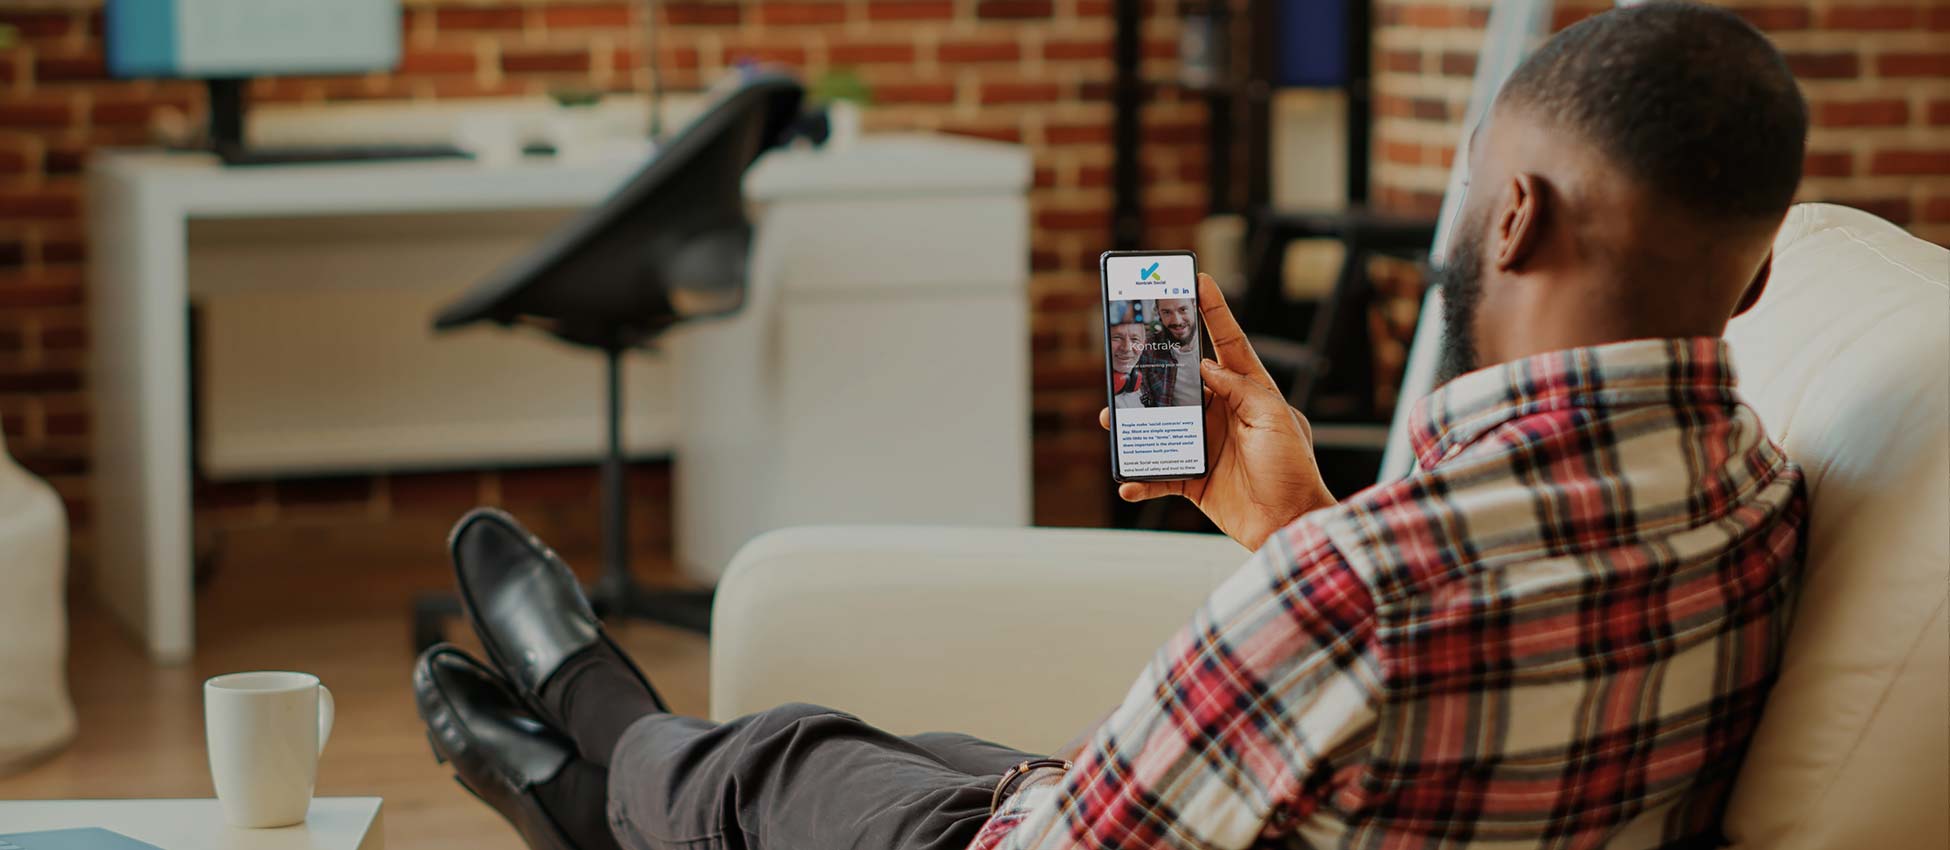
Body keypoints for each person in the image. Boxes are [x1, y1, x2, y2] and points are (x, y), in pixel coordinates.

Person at [410, 5, 1812, 849]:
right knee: (924, 750)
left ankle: (592, 727)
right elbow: (1475, 690)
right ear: (1751, 276)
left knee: (779, 759)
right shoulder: (1755, 490)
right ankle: (583, 781)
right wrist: (1287, 519)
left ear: (1514, 218)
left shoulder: (1362, 600)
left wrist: (1312, 562)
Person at [1138, 297, 1202, 408]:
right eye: (1167, 312)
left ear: (1194, 306)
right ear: (1159, 313)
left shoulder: (1216, 341)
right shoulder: (1147, 349)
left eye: (1183, 310)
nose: (1177, 321)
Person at [1107, 300, 1151, 409]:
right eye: (1117, 338)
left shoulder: (1140, 388)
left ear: (1143, 344)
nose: (1126, 348)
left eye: (1135, 339)